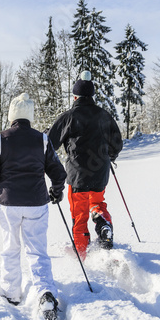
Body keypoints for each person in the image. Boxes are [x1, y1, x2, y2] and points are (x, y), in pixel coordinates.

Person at [0, 93, 67, 320]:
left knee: (11, 248)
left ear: (12, 115)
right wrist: (56, 191)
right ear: (30, 116)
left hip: (8, 204)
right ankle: (45, 292)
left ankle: (12, 293)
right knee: (37, 251)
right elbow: (58, 171)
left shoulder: (0, 139)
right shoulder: (42, 139)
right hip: (36, 202)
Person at [47, 71, 123, 259]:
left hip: (78, 174)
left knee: (79, 214)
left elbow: (50, 144)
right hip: (100, 172)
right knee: (97, 202)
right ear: (91, 95)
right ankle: (103, 223)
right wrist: (109, 156)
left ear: (75, 96)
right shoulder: (104, 115)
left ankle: (81, 253)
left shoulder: (69, 117)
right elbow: (117, 143)